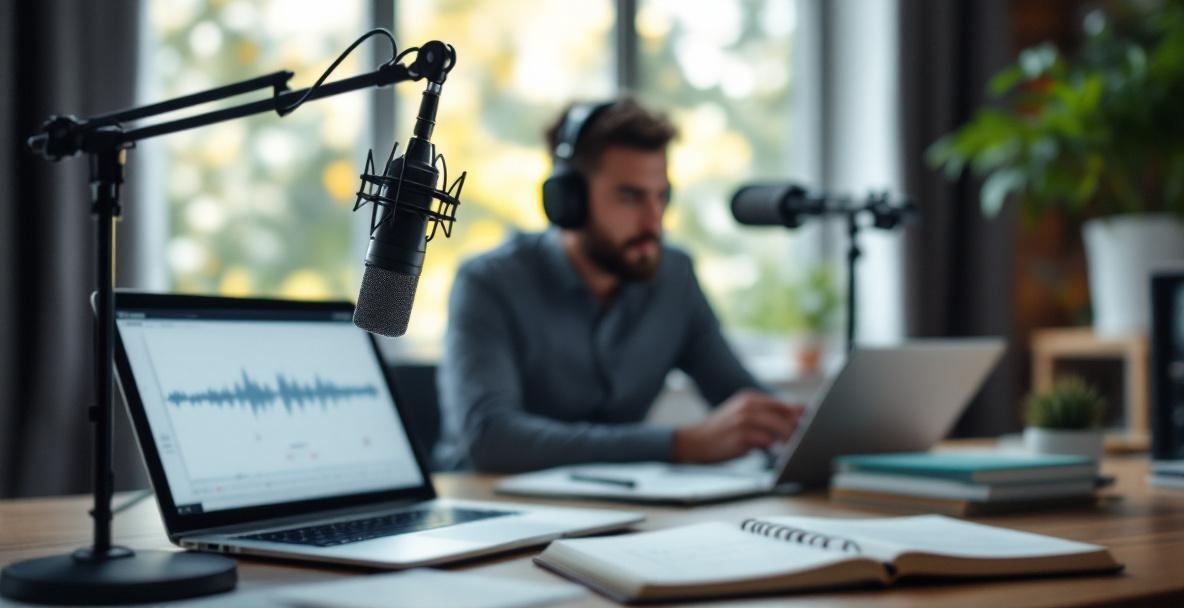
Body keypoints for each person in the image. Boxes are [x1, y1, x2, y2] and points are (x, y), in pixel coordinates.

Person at [434, 98, 803, 472]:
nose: (653, 222)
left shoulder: (674, 276)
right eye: (630, 197)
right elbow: (491, 438)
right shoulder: (489, 282)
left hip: (616, 507)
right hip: (488, 506)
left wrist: (801, 427)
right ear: (568, 200)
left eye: (662, 196)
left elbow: (735, 391)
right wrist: (678, 444)